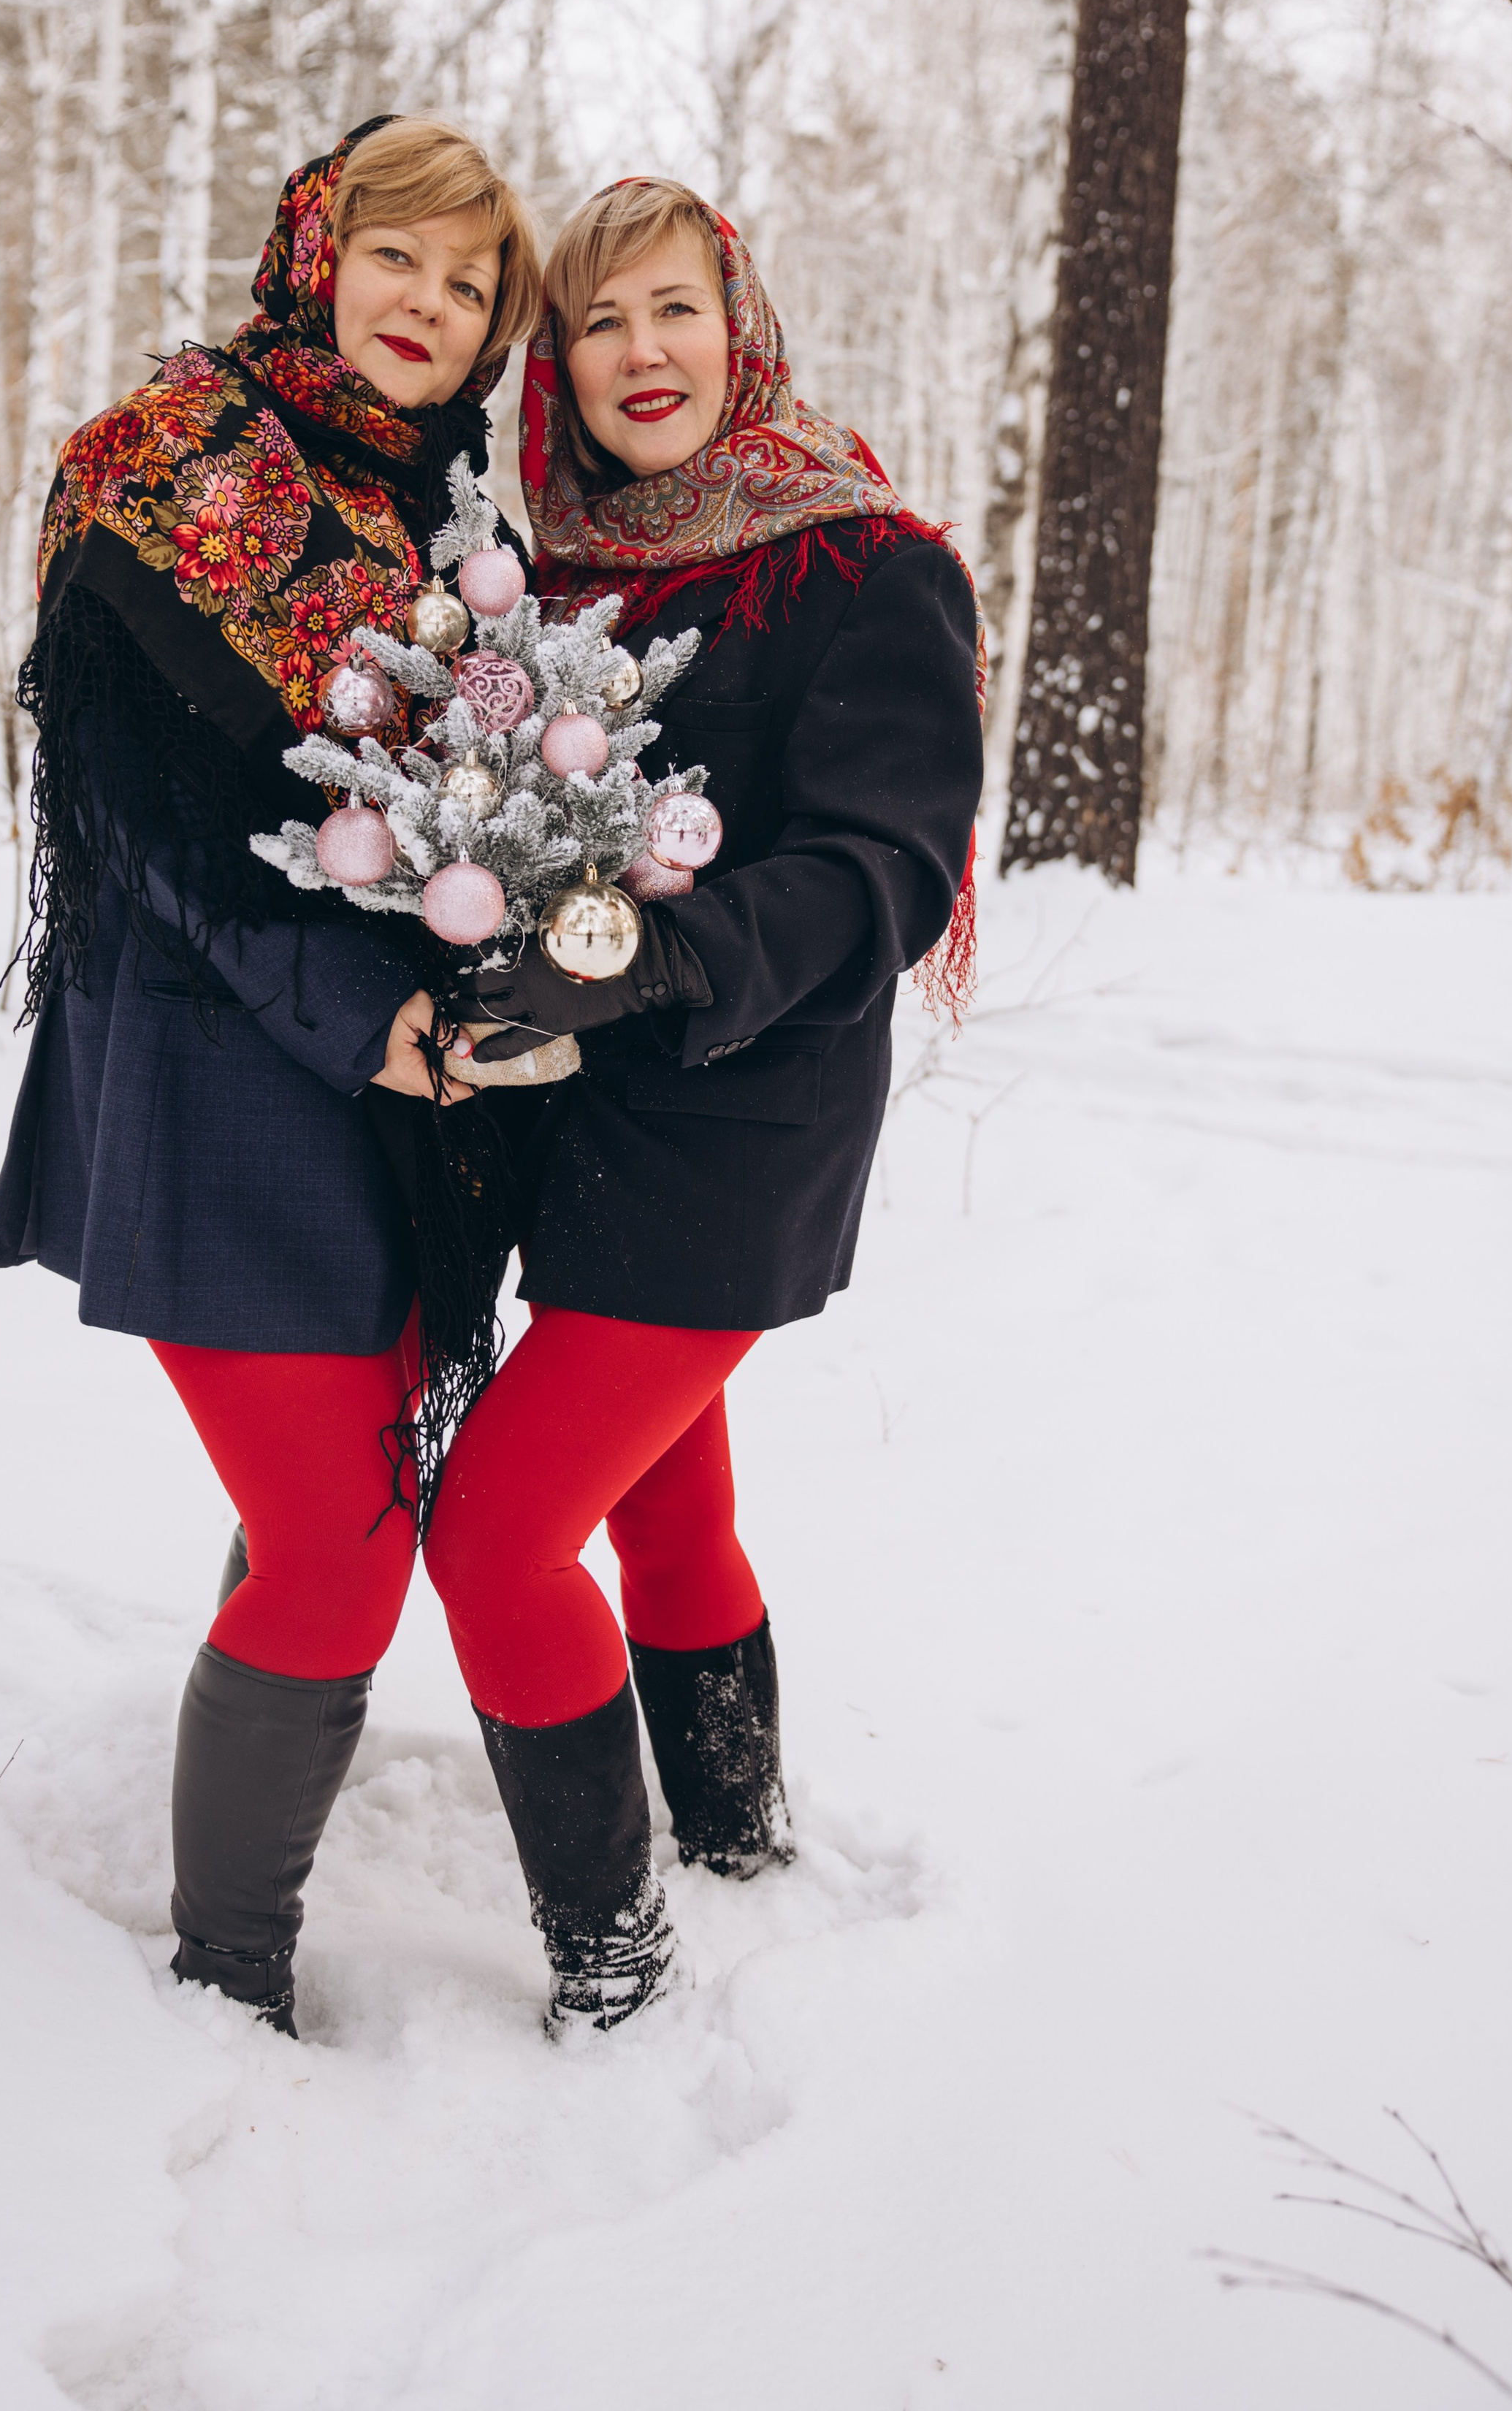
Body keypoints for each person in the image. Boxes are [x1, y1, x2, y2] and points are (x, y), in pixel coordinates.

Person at [0, 116, 539, 2036]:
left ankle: (250, 1847)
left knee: (349, 1486)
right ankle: (223, 1981)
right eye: (402, 257)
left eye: (473, 287)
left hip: (393, 1102)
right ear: (318, 248)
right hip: (220, 1081)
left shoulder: (456, 516)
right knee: (338, 1542)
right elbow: (143, 831)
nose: (432, 306)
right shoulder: (164, 470)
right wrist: (346, 1006)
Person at [423, 177, 984, 2033]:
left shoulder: (858, 560)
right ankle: (732, 1835)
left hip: (738, 1122)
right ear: (556, 365)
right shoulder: (551, 576)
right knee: (662, 1510)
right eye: (597, 323)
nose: (638, 353)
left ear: (734, 325)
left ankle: (613, 1954)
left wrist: (673, 954)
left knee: (497, 1538)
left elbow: (885, 867)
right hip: (564, 1121)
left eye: (672, 310)